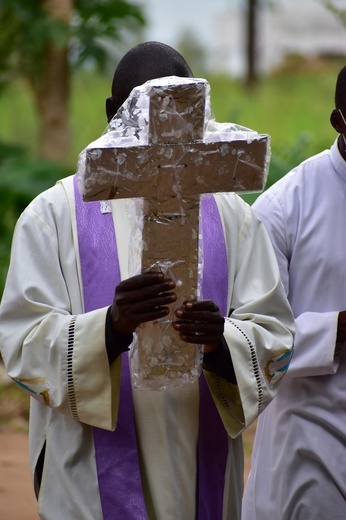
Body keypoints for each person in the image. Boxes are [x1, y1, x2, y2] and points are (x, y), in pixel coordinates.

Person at [0, 41, 294, 520]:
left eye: (179, 113)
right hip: (90, 482)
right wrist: (110, 328)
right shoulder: (53, 216)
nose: (165, 131)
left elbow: (275, 335)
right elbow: (22, 342)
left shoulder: (233, 217)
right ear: (113, 112)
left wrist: (222, 343)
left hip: (201, 461)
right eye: (145, 112)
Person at [242, 64, 346, 520]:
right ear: (339, 120)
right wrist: (338, 330)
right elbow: (251, 337)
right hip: (308, 444)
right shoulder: (285, 206)